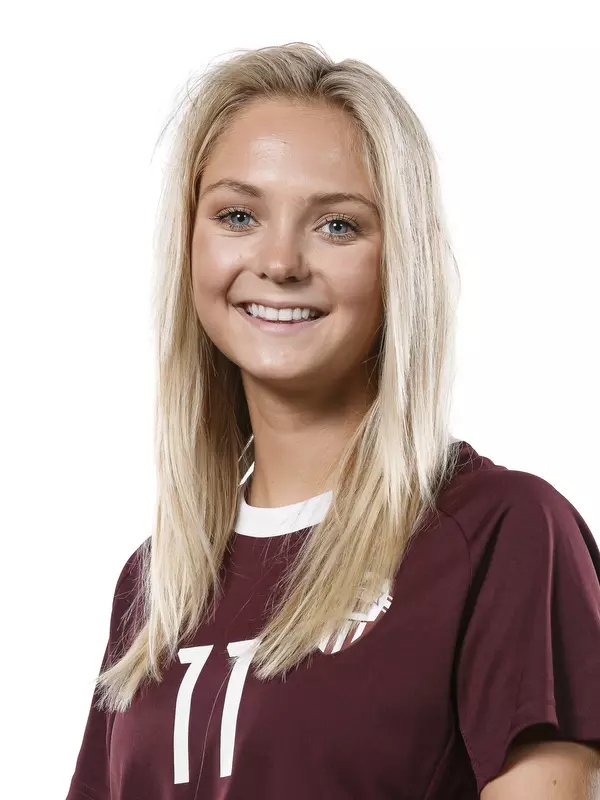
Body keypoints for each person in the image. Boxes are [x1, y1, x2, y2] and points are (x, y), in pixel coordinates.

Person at [66, 43, 600, 799]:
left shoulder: (502, 534)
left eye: (338, 226)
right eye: (239, 215)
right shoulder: (154, 585)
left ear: (400, 261)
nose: (279, 262)